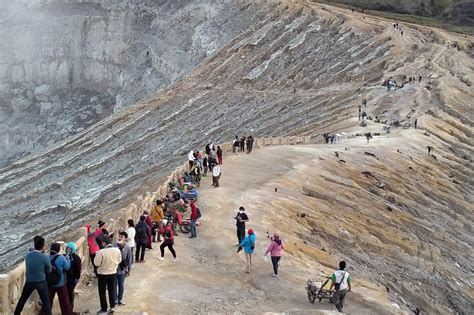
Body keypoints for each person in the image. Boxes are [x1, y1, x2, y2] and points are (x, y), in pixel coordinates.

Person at [14, 236, 52, 315]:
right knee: (46, 302)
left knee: (22, 299)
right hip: (41, 281)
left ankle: (16, 313)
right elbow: (49, 270)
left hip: (29, 281)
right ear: (43, 246)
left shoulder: (28, 255)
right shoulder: (44, 257)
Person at [94, 235, 122, 314]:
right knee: (112, 290)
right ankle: (112, 306)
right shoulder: (117, 250)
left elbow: (96, 263)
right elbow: (119, 260)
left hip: (102, 274)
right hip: (113, 272)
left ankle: (104, 308)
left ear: (103, 243)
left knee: (102, 291)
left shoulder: (100, 252)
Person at [47, 243, 73, 315]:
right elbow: (67, 267)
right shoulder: (61, 258)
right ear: (58, 250)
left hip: (50, 283)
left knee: (48, 301)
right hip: (60, 283)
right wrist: (68, 258)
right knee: (64, 302)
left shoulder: (47, 257)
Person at [115, 232, 132, 306]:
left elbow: (129, 259)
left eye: (121, 236)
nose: (120, 238)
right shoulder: (114, 246)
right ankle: (114, 299)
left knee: (121, 285)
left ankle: (120, 299)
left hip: (122, 270)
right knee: (114, 286)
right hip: (114, 269)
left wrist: (129, 270)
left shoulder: (128, 248)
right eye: (119, 236)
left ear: (125, 238)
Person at [65, 242, 81, 310]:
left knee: (70, 293)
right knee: (66, 294)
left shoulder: (76, 258)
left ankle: (70, 307)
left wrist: (77, 278)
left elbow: (78, 268)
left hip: (72, 279)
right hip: (65, 279)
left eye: (70, 249)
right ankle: (68, 307)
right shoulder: (64, 256)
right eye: (67, 248)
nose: (68, 250)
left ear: (73, 249)